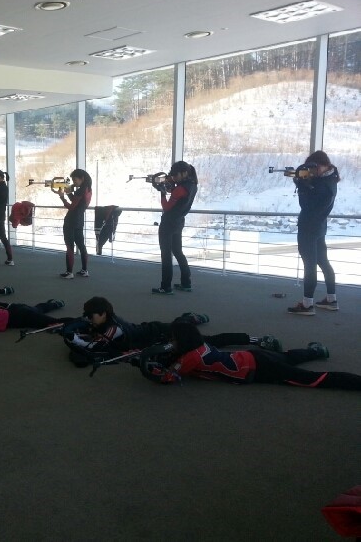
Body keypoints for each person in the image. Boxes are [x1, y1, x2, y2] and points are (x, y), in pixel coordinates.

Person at [63, 296, 279, 367]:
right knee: (181, 323)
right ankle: (189, 318)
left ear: (103, 314)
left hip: (161, 334)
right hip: (152, 330)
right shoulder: (106, 321)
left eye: (91, 315)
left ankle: (257, 340)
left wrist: (75, 339)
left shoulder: (114, 329)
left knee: (210, 341)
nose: (89, 318)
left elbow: (94, 346)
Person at [152, 321, 361, 390]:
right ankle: (316, 351)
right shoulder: (201, 345)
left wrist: (151, 365)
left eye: (174, 338)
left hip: (257, 369)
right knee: (287, 356)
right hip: (252, 357)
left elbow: (168, 377)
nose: (173, 342)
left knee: (311, 379)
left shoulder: (189, 358)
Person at [287, 150, 341, 315]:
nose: (312, 171)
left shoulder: (323, 184)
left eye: (314, 167)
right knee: (323, 262)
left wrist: (302, 186)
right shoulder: (330, 180)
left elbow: (307, 206)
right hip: (319, 227)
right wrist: (303, 182)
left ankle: (307, 304)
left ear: (322, 165)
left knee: (309, 265)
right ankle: (331, 300)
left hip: (309, 227)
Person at [152, 161, 198, 295]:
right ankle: (186, 283)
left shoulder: (180, 189)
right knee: (178, 252)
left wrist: (162, 193)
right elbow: (178, 197)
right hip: (179, 222)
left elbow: (166, 207)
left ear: (184, 173)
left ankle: (166, 287)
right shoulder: (192, 185)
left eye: (175, 175)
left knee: (166, 255)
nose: (174, 178)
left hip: (168, 224)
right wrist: (170, 188)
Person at [56, 168, 92, 279]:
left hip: (71, 221)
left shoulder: (80, 190)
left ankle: (69, 272)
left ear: (82, 178)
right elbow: (77, 202)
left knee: (69, 246)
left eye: (75, 180)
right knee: (81, 245)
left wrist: (62, 197)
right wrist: (69, 193)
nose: (74, 182)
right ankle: (84, 270)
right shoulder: (87, 189)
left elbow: (72, 207)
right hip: (79, 220)